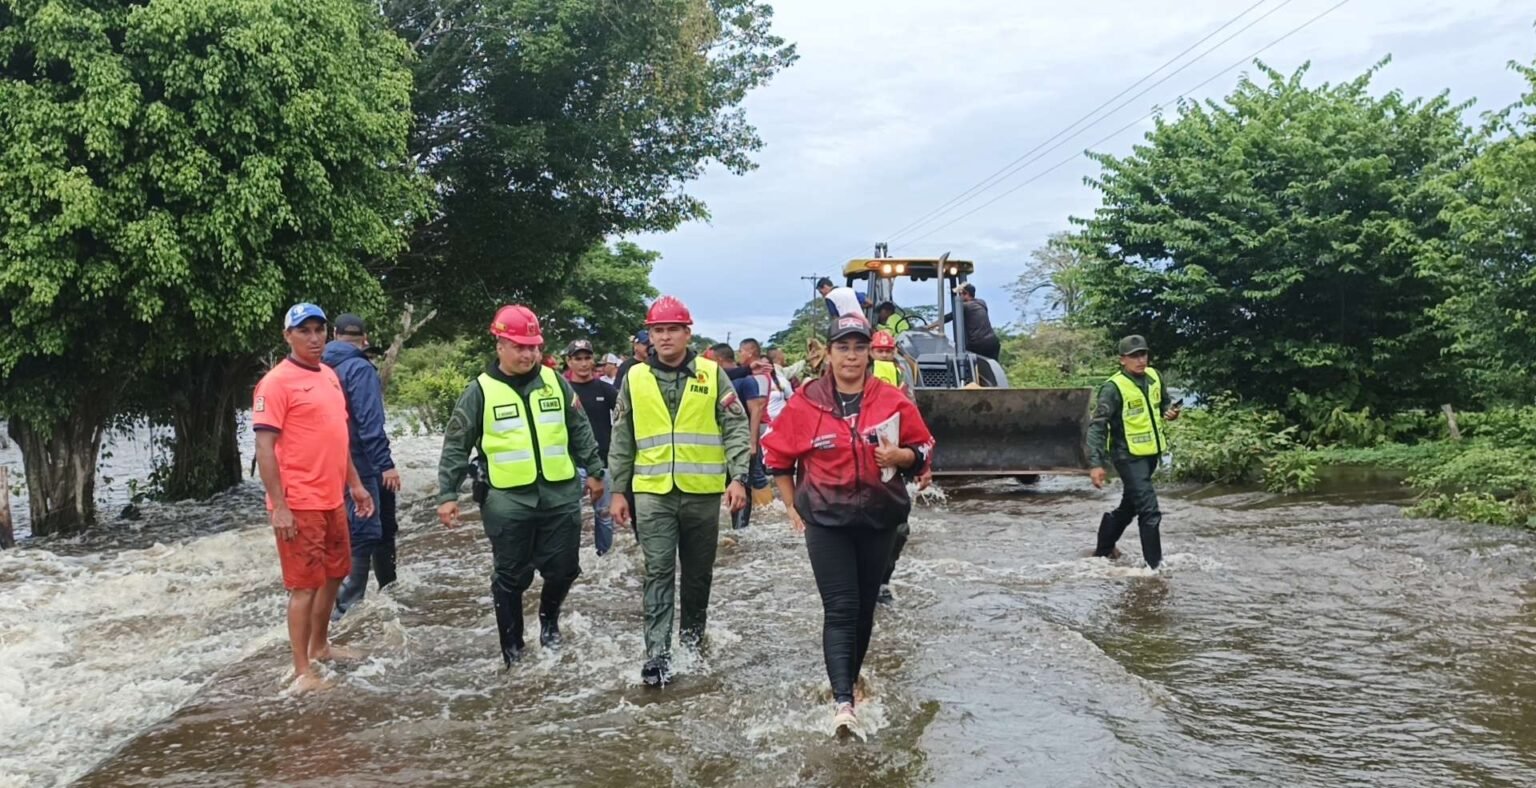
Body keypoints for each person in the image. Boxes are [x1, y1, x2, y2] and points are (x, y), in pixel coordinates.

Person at [763, 313, 935, 734]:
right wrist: (790, 505)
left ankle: (851, 680)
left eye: (860, 348)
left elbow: (925, 449)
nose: (852, 356)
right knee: (840, 609)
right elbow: (778, 459)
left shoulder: (892, 399)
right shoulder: (807, 402)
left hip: (879, 518)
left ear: (870, 355)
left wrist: (902, 458)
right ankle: (843, 702)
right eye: (844, 347)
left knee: (863, 610)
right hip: (826, 518)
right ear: (829, 353)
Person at [435, 305, 606, 667]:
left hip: (560, 493)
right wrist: (448, 495)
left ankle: (549, 623)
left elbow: (579, 427)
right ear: (499, 344)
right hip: (507, 500)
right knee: (511, 577)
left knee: (564, 569)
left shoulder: (555, 382)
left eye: (534, 346)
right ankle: (513, 650)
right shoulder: (479, 391)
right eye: (519, 346)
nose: (528, 354)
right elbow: (456, 444)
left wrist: (594, 469)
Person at [607, 296, 751, 687]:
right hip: (652, 493)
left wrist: (738, 477)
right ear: (649, 335)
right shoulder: (633, 378)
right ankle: (657, 655)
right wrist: (617, 490)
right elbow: (622, 437)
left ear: (687, 332)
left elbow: (735, 426)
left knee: (698, 575)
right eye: (658, 330)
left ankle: (691, 641)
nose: (665, 336)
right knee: (657, 571)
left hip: (702, 494)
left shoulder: (712, 373)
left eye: (673, 329)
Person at [253, 303, 376, 691]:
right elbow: (264, 448)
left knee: (336, 573)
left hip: (332, 498)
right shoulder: (275, 383)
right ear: (287, 335)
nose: (313, 338)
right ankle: (302, 669)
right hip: (298, 503)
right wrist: (281, 507)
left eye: (319, 330)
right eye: (303, 331)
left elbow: (337, 439)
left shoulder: (329, 376)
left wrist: (355, 485)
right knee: (303, 585)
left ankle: (321, 646)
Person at [322, 313, 401, 620]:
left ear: (333, 334)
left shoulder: (319, 367)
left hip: (327, 464)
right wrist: (386, 465)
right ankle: (345, 614)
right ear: (364, 339)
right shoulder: (359, 368)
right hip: (362, 464)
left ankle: (385, 596)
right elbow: (370, 424)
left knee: (361, 531)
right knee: (368, 532)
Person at [1086, 335, 1181, 570]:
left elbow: (1164, 405)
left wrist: (1170, 412)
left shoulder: (1154, 377)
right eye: (1134, 356)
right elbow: (1097, 426)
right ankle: (1154, 569)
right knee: (1150, 511)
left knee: (1129, 506)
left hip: (1151, 454)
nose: (1141, 360)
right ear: (1122, 360)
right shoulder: (1113, 388)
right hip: (1126, 456)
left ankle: (1103, 550)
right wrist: (1096, 464)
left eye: (1143, 354)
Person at [565, 339, 619, 556]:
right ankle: (568, 559)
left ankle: (603, 556)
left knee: (605, 516)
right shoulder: (563, 390)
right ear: (569, 362)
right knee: (568, 517)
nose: (584, 363)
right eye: (578, 359)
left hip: (602, 462)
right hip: (570, 464)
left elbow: (626, 419)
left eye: (587, 358)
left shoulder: (605, 389)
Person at [712, 344, 768, 530]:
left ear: (718, 359)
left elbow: (756, 410)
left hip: (741, 441)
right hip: (720, 443)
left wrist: (752, 443)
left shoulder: (746, 381)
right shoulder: (716, 380)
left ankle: (741, 529)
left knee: (743, 485)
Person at [927, 283, 1000, 361]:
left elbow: (948, 317)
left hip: (978, 344)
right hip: (993, 342)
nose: (959, 297)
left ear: (966, 294)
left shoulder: (965, 306)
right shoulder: (982, 302)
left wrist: (929, 326)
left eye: (960, 294)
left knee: (963, 360)